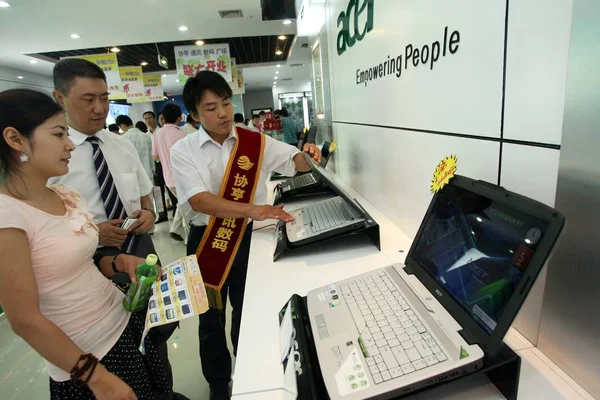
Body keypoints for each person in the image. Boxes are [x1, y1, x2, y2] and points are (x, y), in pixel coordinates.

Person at [0, 88, 171, 400]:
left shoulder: (64, 194)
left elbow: (80, 261)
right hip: (86, 356)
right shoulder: (7, 215)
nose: (69, 145)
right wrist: (96, 377)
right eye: (58, 134)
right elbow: (25, 320)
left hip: (122, 324)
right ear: (15, 140)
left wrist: (117, 262)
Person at [171, 71, 321, 400]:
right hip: (207, 243)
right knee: (209, 320)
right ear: (194, 115)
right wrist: (252, 210)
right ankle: (217, 383)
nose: (223, 113)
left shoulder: (253, 141)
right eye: (211, 108)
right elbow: (198, 200)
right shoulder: (183, 150)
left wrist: (307, 154)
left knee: (247, 312)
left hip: (250, 242)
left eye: (225, 103)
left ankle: (249, 374)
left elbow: (293, 160)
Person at [49, 58, 183, 399]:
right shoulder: (52, 156)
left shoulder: (119, 144)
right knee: (117, 344)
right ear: (59, 99)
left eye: (105, 98)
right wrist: (94, 233)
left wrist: (149, 215)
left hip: (139, 248)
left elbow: (144, 196)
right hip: (90, 262)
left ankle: (162, 391)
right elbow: (47, 227)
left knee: (157, 326)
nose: (99, 108)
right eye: (88, 99)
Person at [153, 104, 187, 242]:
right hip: (182, 176)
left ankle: (175, 228)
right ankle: (187, 237)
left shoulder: (157, 133)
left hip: (168, 176)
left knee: (182, 203)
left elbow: (155, 156)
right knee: (186, 205)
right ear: (179, 118)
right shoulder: (180, 134)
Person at [143, 111, 168, 224]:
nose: (148, 120)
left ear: (155, 119)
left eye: (150, 118)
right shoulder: (145, 135)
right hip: (154, 166)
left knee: (170, 188)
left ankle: (176, 208)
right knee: (158, 191)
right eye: (146, 119)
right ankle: (162, 214)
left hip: (165, 163)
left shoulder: (162, 132)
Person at [117, 115, 154, 181]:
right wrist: (153, 170)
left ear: (122, 125)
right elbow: (151, 156)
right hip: (148, 173)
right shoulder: (146, 136)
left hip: (132, 176)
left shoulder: (123, 139)